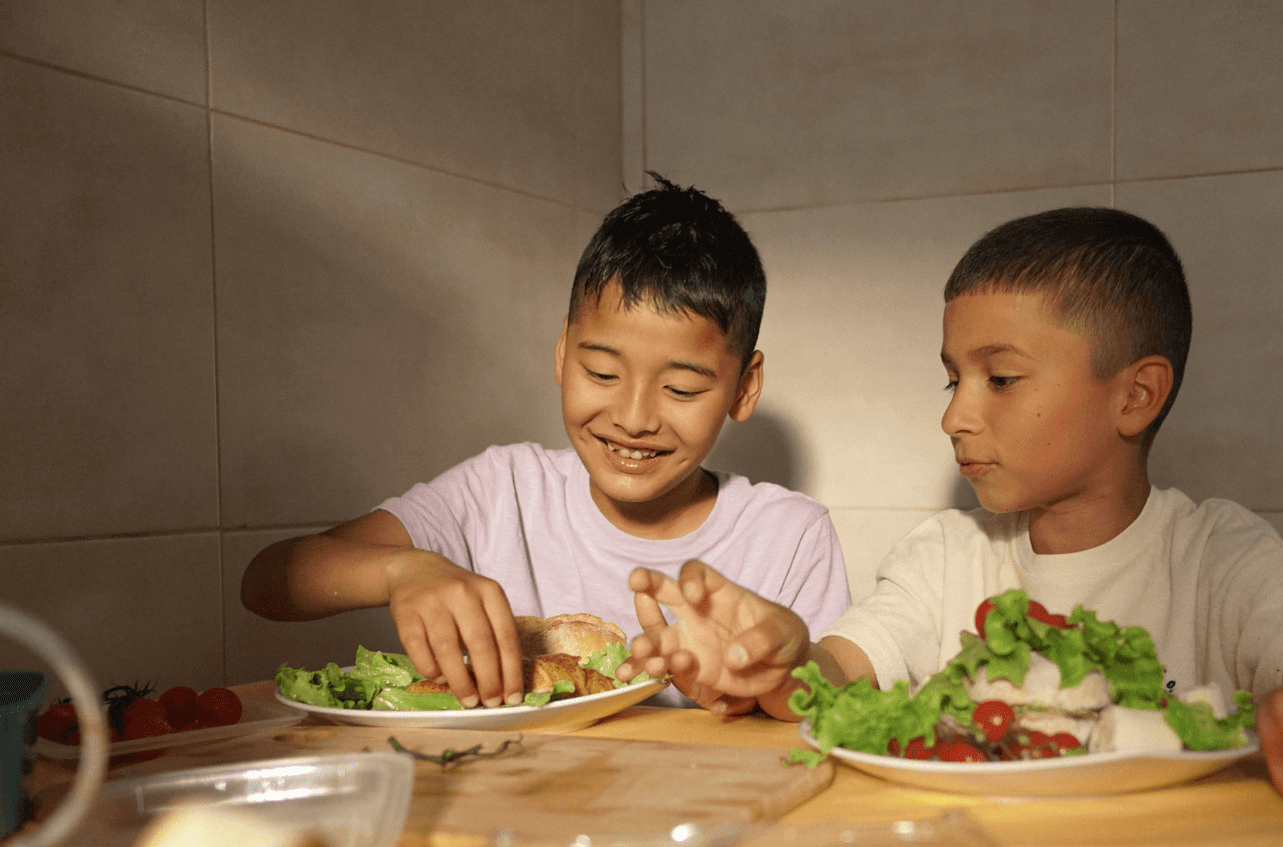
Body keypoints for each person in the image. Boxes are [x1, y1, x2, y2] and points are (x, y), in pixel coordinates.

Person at [617, 206, 1283, 829]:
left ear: (1135, 396)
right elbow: (835, 675)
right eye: (952, 380)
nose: (955, 416)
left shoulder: (1219, 555)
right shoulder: (946, 554)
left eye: (999, 379)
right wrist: (776, 665)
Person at [241, 174, 851, 711]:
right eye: (602, 374)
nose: (633, 418)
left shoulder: (789, 537)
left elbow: (828, 707)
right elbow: (267, 581)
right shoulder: (502, 491)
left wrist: (766, 682)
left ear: (744, 387)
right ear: (562, 352)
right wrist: (401, 572)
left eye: (681, 389)